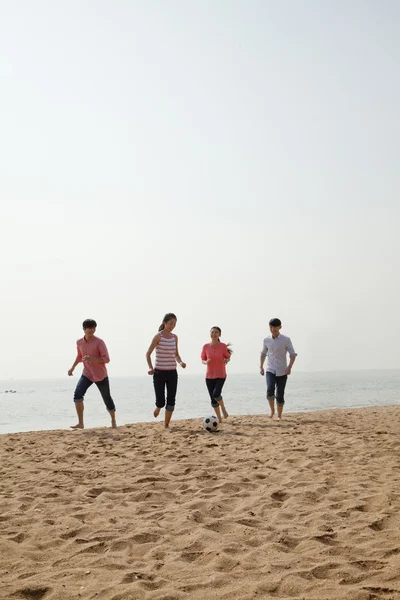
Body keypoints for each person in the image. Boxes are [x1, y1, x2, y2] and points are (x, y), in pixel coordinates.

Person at [68, 319, 116, 429]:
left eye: (94, 328)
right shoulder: (79, 342)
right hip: (87, 374)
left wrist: (92, 359)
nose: (92, 330)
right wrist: (72, 368)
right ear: (84, 329)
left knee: (107, 398)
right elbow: (80, 356)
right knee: (77, 395)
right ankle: (81, 423)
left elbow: (106, 359)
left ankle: (113, 420)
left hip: (100, 375)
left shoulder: (99, 342)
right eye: (89, 328)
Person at [145, 313, 186, 429]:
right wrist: (150, 367)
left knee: (171, 400)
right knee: (161, 401)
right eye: (170, 323)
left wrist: (181, 362)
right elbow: (148, 353)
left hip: (172, 373)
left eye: (174, 324)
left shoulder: (174, 337)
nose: (172, 326)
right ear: (164, 323)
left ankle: (166, 424)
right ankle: (158, 407)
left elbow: (176, 354)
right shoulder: (158, 336)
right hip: (159, 373)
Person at [260, 318, 297, 420]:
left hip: (282, 371)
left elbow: (293, 354)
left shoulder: (286, 340)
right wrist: (261, 366)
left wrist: (289, 367)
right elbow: (263, 353)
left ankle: (279, 415)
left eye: (275, 327)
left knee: (280, 395)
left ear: (280, 327)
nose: (273, 329)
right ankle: (272, 411)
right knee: (270, 389)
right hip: (270, 369)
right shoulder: (266, 340)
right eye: (271, 327)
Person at [201, 326, 232, 423]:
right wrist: (206, 362)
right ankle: (219, 418)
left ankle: (223, 407)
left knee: (216, 394)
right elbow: (203, 359)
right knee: (213, 400)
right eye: (212, 332)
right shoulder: (205, 346)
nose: (214, 334)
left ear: (219, 335)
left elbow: (228, 357)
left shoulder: (223, 346)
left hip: (221, 375)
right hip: (209, 376)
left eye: (216, 332)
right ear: (210, 334)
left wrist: (226, 360)